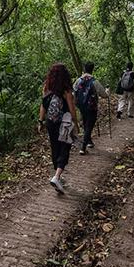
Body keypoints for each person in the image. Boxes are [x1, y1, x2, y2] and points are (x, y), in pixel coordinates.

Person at [39, 63, 80, 194]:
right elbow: (72, 108)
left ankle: (57, 177)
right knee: (65, 148)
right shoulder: (66, 89)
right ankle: (57, 177)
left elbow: (43, 106)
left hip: (50, 122)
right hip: (64, 122)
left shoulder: (46, 87)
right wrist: (76, 123)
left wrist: (40, 121)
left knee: (55, 147)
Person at [74, 61, 109, 154]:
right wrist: (107, 91)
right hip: (91, 107)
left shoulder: (78, 81)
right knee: (89, 125)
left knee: (86, 124)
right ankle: (83, 147)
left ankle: (89, 141)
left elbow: (74, 92)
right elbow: (104, 95)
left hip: (81, 106)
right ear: (92, 69)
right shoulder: (94, 81)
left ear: (84, 69)